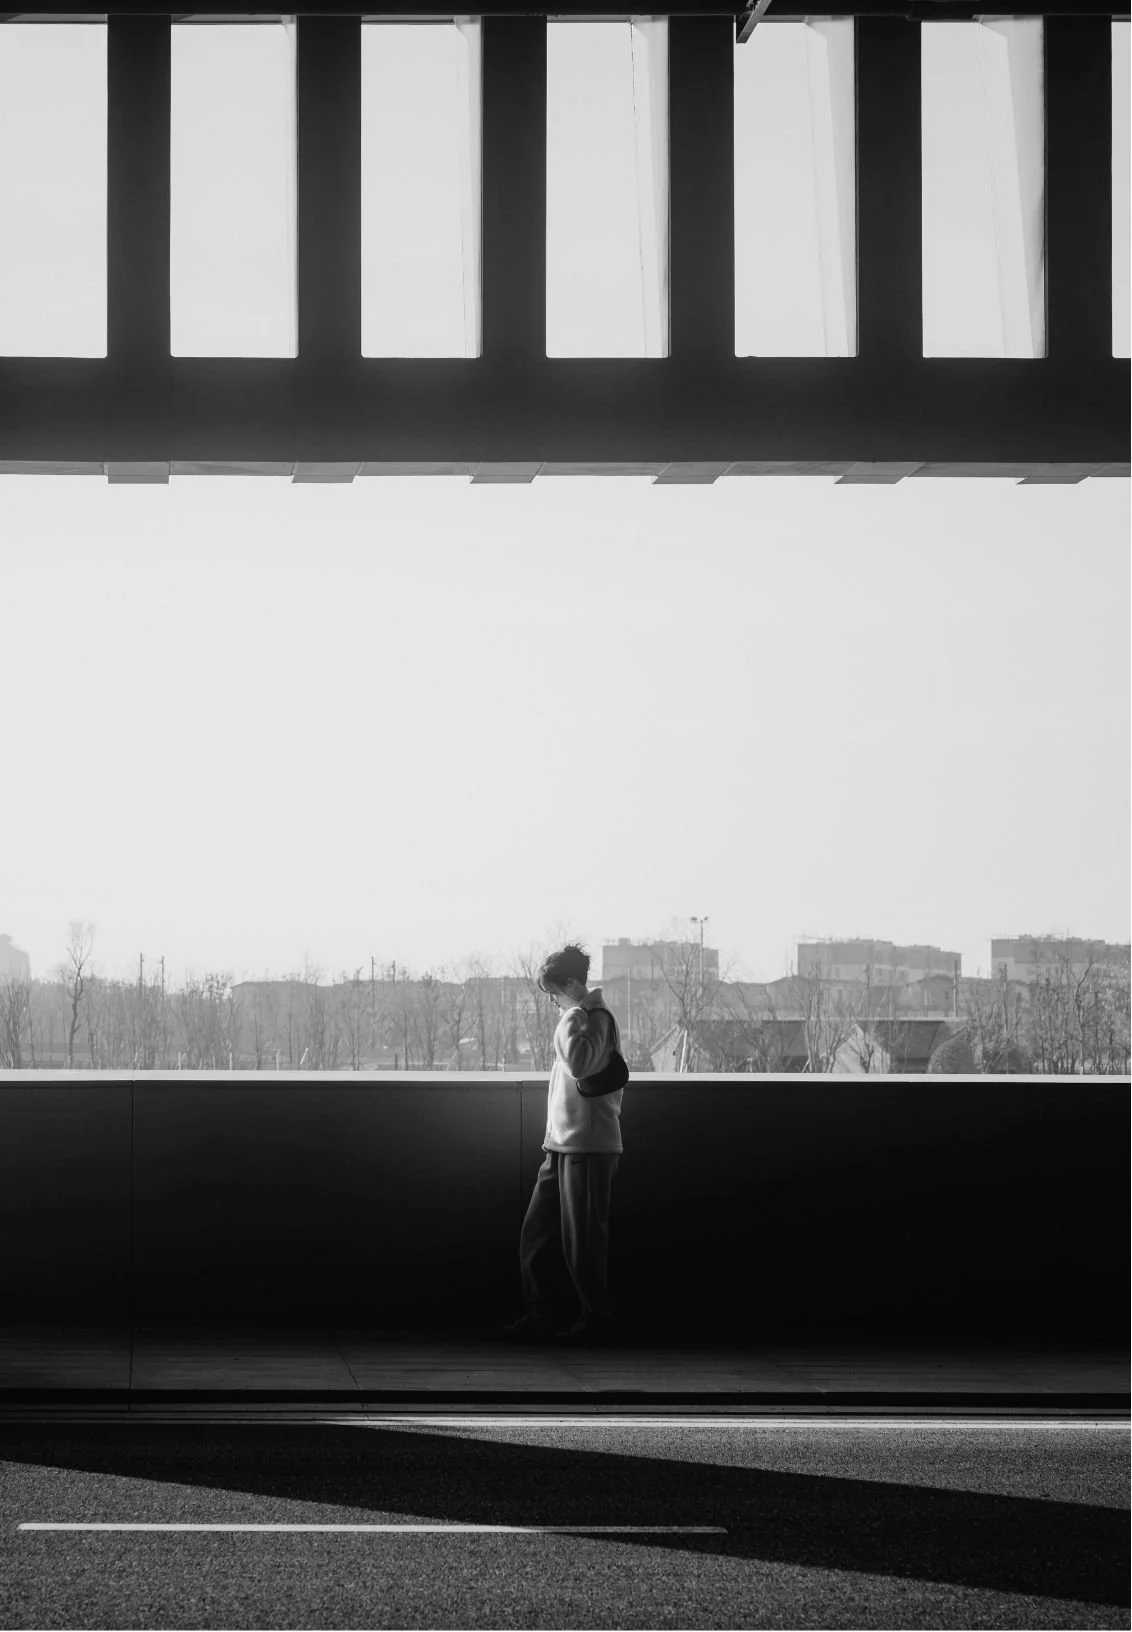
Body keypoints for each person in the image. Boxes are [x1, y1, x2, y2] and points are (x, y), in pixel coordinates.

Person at [503, 942, 625, 1347]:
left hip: (588, 1146)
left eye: (555, 993)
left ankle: (597, 1319)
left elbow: (579, 1063)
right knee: (537, 1233)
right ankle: (544, 1314)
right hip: (562, 1145)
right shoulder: (582, 1015)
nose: (554, 1003)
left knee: (583, 1240)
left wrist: (572, 1013)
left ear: (573, 984)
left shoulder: (593, 1016)